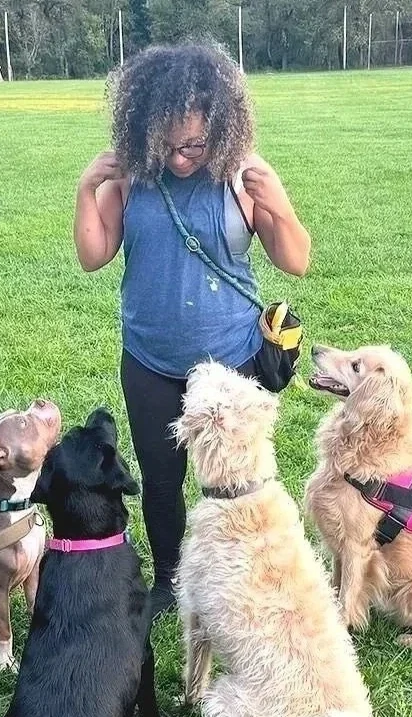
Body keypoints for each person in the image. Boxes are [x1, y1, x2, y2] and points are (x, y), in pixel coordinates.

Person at [73, 42, 311, 617]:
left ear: (222, 129)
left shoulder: (240, 178)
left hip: (231, 360)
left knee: (236, 482)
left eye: (196, 145)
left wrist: (279, 206)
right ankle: (169, 581)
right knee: (160, 480)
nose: (181, 158)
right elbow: (92, 255)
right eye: (168, 143)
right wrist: (86, 189)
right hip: (151, 359)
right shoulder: (134, 176)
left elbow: (296, 260)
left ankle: (242, 575)